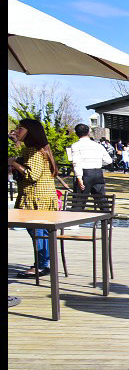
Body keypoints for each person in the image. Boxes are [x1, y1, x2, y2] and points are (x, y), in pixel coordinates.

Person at [8, 118, 61, 278]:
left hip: (37, 197)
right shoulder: (40, 149)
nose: (17, 130)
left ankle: (41, 265)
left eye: (21, 128)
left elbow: (32, 175)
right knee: (40, 231)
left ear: (31, 131)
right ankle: (44, 263)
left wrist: (14, 163)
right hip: (41, 196)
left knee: (38, 231)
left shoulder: (34, 151)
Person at [68, 124, 109, 207]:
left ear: (76, 134)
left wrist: (79, 177)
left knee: (79, 202)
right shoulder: (98, 145)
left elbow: (77, 162)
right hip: (98, 172)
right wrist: (97, 163)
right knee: (102, 201)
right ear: (88, 132)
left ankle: (77, 218)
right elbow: (108, 160)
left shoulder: (76, 146)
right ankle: (107, 219)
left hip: (85, 173)